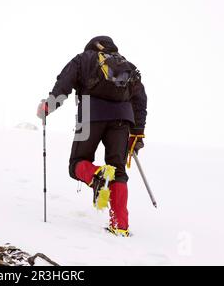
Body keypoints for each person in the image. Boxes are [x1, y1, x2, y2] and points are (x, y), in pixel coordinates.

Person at [37, 36, 147, 237]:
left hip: (90, 112)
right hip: (123, 118)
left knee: (78, 162)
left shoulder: (84, 59)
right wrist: (137, 134)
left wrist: (49, 106)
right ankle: (120, 225)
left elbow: (65, 83)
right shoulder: (128, 66)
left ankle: (96, 175)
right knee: (118, 171)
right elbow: (140, 100)